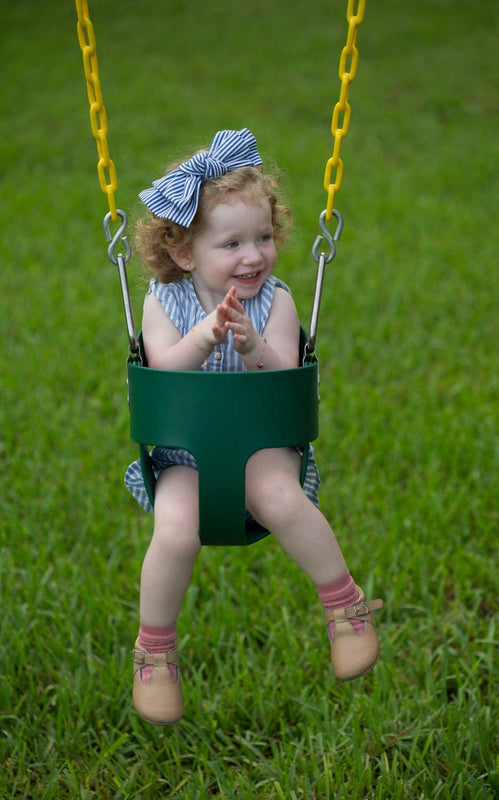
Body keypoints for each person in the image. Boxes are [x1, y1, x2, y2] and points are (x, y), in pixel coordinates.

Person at [125, 128, 383, 725]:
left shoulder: (279, 301)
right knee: (175, 531)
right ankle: (155, 652)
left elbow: (284, 376)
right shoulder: (163, 302)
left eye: (264, 237)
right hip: (183, 454)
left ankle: (345, 607)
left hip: (262, 444)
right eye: (232, 242)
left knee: (279, 496)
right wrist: (206, 336)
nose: (253, 256)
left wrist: (252, 345)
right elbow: (163, 370)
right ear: (186, 252)